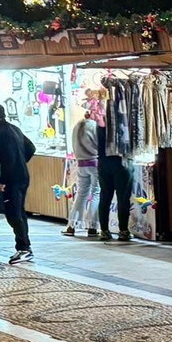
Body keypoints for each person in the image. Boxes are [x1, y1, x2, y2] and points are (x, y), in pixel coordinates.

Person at [0, 102, 37, 264]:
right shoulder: (15, 128)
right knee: (19, 212)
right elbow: (31, 148)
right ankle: (24, 246)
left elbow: (7, 159)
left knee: (13, 213)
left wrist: (2, 181)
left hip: (12, 178)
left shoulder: (1, 133)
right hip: (23, 176)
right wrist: (22, 161)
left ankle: (24, 248)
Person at [63, 94, 101, 238]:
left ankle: (71, 225)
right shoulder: (94, 126)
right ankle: (92, 226)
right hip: (95, 162)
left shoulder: (77, 125)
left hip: (81, 163)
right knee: (96, 192)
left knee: (81, 193)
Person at [95, 99, 132, 242]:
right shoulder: (124, 123)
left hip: (104, 163)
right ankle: (123, 230)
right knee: (123, 198)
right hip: (121, 163)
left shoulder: (101, 123)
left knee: (105, 197)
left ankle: (104, 230)